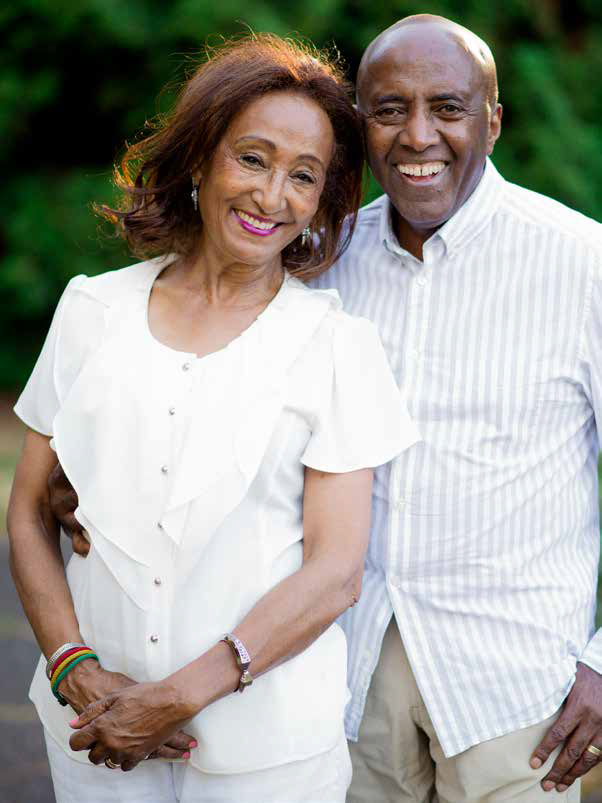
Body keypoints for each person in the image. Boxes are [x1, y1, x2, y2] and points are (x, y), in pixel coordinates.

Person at [43, 13, 602, 801]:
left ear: (494, 119)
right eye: (388, 110)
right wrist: (97, 480)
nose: (418, 136)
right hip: (347, 680)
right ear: (361, 129)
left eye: (448, 108)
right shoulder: (318, 263)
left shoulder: (583, 264)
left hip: (513, 686)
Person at [6, 34, 419, 803]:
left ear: (323, 200)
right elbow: (31, 508)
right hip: (91, 736)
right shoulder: (93, 309)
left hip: (269, 758)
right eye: (253, 159)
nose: (272, 197)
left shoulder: (338, 346)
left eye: (305, 177)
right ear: (200, 158)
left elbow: (335, 572)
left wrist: (175, 695)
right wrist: (76, 671)